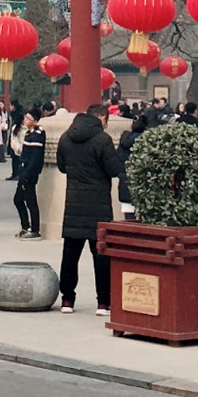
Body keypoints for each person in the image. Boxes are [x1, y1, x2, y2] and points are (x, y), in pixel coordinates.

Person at [54, 105, 123, 315]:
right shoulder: (103, 140)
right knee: (101, 254)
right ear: (102, 117)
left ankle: (67, 299)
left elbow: (62, 166)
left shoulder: (66, 137)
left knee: (70, 254)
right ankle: (103, 302)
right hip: (98, 203)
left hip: (73, 202)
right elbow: (114, 170)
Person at [13, 109, 47, 238]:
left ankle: (34, 229)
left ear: (35, 120)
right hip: (24, 171)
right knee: (18, 200)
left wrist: (27, 174)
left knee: (30, 200)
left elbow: (35, 158)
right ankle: (25, 226)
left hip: (30, 173)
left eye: (28, 118)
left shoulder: (38, 135)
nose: (25, 120)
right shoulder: (29, 133)